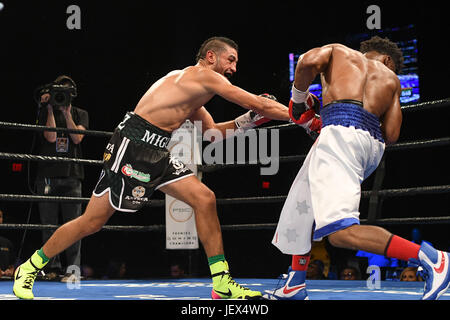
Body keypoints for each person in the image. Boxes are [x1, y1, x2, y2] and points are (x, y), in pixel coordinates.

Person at [13, 36, 298, 300]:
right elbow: (254, 100)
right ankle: (29, 267)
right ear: (211, 57)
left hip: (157, 150)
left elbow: (212, 133)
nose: (234, 68)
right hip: (133, 145)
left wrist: (251, 119)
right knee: (92, 222)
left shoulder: (194, 90)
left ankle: (221, 282)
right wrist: (305, 117)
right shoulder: (200, 76)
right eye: (230, 60)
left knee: (204, 198)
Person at [266, 36, 450, 300]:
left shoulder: (339, 52)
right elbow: (392, 133)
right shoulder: (392, 81)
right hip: (368, 146)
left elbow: (307, 61)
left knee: (340, 233)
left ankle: (432, 258)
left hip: (340, 137)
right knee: (302, 204)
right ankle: (295, 283)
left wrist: (298, 100)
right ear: (387, 60)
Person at [35, 75, 88, 282]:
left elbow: (77, 138)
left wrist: (66, 113)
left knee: (74, 224)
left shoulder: (80, 114)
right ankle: (52, 268)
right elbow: (51, 137)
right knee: (49, 225)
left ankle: (72, 269)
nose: (62, 96)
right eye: (60, 92)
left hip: (72, 176)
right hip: (47, 175)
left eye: (66, 92)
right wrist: (49, 108)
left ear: (72, 94)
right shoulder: (44, 112)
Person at [0, 209, 15, 278]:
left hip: (5, 283)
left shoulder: (7, 242)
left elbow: (12, 263)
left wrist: (11, 270)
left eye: (0, 216)